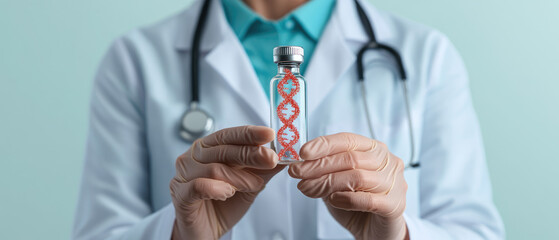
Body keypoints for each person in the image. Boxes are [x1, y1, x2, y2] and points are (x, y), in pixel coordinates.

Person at [72, 0, 505, 239]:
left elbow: (475, 231)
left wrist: (400, 234)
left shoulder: (425, 55)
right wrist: (179, 235)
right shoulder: (136, 60)